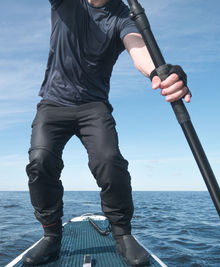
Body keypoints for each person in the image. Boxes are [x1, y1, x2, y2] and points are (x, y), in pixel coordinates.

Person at [23, 0, 191, 265]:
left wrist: (161, 72)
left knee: (109, 161)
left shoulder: (123, 15)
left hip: (93, 106)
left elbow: (138, 48)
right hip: (53, 104)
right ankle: (50, 235)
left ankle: (122, 234)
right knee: (40, 161)